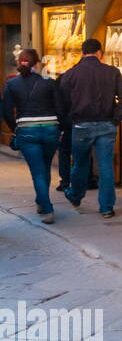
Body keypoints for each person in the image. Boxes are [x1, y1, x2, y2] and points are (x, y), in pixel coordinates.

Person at [55, 38, 122, 219]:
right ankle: (106, 207)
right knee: (105, 166)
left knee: (80, 163)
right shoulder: (112, 72)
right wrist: (116, 119)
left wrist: (67, 121)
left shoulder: (70, 74)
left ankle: (75, 195)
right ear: (99, 53)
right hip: (106, 124)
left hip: (81, 125)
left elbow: (61, 101)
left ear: (82, 53)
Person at [2, 49, 61, 223]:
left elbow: (6, 111)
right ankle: (41, 202)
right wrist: (62, 128)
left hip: (27, 130)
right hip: (51, 128)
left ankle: (47, 209)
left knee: (37, 172)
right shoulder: (49, 82)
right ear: (37, 63)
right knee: (45, 166)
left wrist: (15, 128)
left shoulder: (12, 84)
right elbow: (60, 108)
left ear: (19, 62)